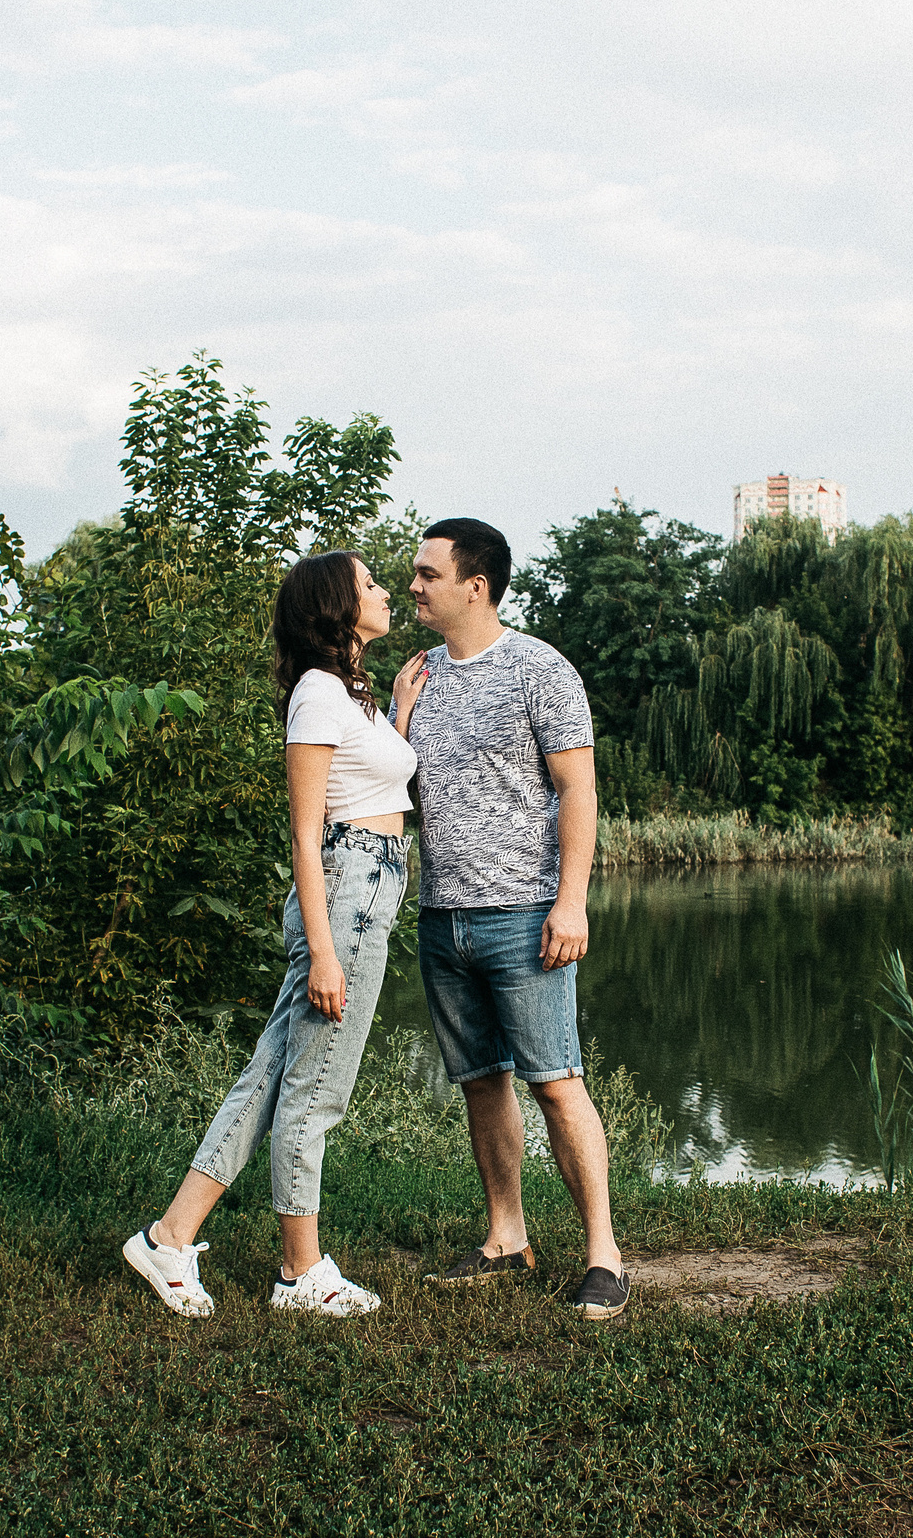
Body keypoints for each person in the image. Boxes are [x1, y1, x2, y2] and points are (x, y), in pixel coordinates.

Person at [122, 550, 423, 1319]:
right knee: (315, 1088)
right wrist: (324, 949)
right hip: (346, 894)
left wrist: (398, 710)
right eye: (369, 583)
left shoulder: (347, 697)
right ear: (334, 608)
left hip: (365, 884)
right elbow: (306, 833)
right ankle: (301, 1271)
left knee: (270, 1076)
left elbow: (376, 777)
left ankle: (170, 1235)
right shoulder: (320, 695)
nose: (386, 590)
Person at [395, 517, 629, 1321]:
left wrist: (572, 899)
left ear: (476, 585)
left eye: (427, 574)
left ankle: (604, 1253)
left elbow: (579, 789)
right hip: (443, 916)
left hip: (525, 915)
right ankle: (507, 1238)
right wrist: (397, 713)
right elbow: (398, 786)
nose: (413, 586)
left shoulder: (540, 669)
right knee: (481, 1083)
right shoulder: (419, 675)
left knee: (557, 1082)